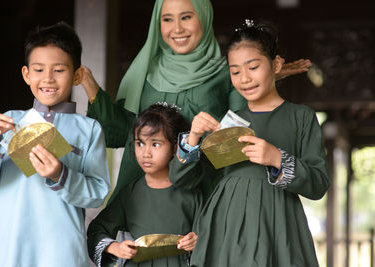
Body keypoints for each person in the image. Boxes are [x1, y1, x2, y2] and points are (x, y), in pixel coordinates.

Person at [80, 0, 311, 202]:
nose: (177, 28)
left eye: (187, 17)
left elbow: (235, 138)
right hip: (146, 201)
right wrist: (89, 85)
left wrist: (261, 78)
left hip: (203, 199)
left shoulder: (226, 74)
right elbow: (123, 133)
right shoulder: (144, 74)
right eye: (167, 19)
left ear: (203, 17)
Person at [174, 19, 330, 267]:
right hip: (226, 225)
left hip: (277, 223)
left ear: (276, 64)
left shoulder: (301, 117)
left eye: (253, 67)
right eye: (235, 71)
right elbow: (183, 179)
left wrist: (277, 159)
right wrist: (192, 138)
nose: (244, 78)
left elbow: (319, 185)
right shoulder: (230, 121)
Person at [0, 22, 110, 267]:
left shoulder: (89, 129)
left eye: (59, 70)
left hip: (63, 250)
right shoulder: (10, 122)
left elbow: (97, 194)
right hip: (12, 247)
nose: (48, 78)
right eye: (38, 69)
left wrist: (61, 174)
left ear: (77, 75)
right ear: (26, 74)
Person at [87, 103, 202, 267]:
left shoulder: (192, 193)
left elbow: (210, 235)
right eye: (140, 143)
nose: (146, 153)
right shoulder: (130, 194)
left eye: (155, 144)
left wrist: (196, 241)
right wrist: (115, 247)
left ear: (175, 147)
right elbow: (97, 230)